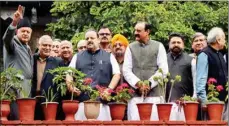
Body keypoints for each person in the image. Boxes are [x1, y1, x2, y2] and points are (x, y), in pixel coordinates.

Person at [67, 29, 120, 120]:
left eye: (92, 38)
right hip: (82, 103)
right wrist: (70, 86)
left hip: (102, 103)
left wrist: (109, 90)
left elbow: (117, 74)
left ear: (98, 39)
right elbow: (69, 73)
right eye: (87, 38)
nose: (89, 40)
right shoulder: (77, 56)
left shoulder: (109, 56)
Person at [123, 22, 168, 120]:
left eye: (138, 31)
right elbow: (126, 70)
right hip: (135, 95)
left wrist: (149, 84)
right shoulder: (130, 47)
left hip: (155, 95)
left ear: (147, 31)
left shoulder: (159, 46)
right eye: (135, 30)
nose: (135, 33)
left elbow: (163, 69)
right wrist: (138, 84)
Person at [2, 5, 33, 120]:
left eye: (28, 32)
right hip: (14, 90)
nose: (25, 33)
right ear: (16, 32)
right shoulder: (12, 44)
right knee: (16, 119)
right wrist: (14, 22)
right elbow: (6, 39)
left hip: (26, 90)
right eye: (23, 31)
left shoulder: (27, 47)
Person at [196, 27, 228, 120]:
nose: (225, 41)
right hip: (211, 103)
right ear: (218, 40)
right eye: (224, 38)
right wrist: (204, 102)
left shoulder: (220, 55)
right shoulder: (204, 54)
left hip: (224, 101)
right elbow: (200, 81)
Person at [31, 35, 62, 120]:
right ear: (38, 45)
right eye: (45, 45)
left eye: (49, 46)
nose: (47, 48)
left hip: (50, 102)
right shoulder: (31, 59)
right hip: (32, 99)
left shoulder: (57, 61)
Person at [166, 33, 194, 121]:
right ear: (169, 44)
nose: (176, 44)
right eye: (173, 42)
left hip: (185, 103)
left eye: (179, 42)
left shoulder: (190, 60)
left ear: (183, 45)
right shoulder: (162, 59)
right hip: (166, 104)